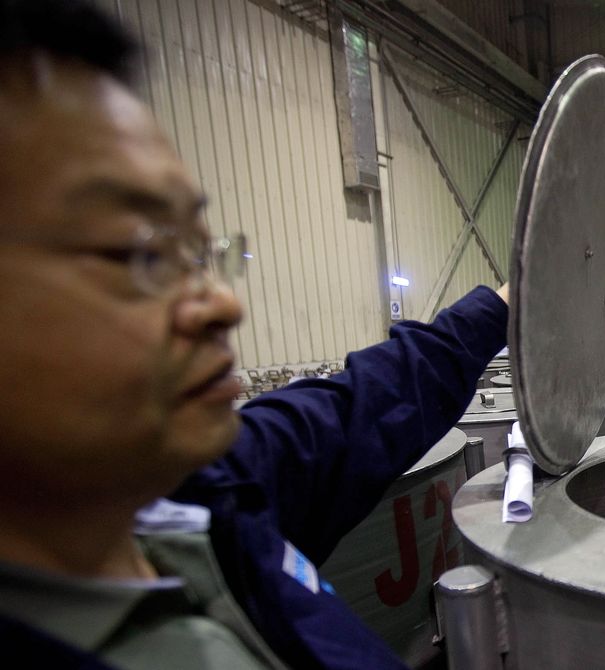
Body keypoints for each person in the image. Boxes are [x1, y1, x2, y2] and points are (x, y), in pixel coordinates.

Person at [0, 1, 509, 667]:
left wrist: (504, 305)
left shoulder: (191, 506)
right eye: (135, 250)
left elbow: (358, 410)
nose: (221, 303)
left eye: (197, 249)